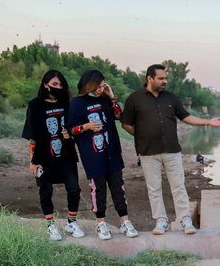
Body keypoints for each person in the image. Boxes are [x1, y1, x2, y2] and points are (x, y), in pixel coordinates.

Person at [121, 64, 220, 235]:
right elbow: (126, 123)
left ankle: (185, 220)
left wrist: (207, 121)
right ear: (150, 78)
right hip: (148, 152)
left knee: (178, 186)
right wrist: (141, 136)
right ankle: (161, 221)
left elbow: (186, 116)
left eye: (165, 78)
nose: (165, 81)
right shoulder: (134, 99)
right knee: (154, 188)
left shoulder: (170, 98)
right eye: (161, 78)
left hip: (171, 150)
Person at [68, 69, 138, 240]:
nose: (101, 89)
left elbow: (118, 115)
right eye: (98, 86)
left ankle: (125, 222)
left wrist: (111, 96)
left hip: (112, 151)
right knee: (98, 189)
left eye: (102, 86)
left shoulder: (105, 100)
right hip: (92, 154)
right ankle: (101, 224)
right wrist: (86, 127)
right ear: (89, 85)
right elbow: (70, 130)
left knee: (118, 187)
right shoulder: (77, 103)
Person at [22, 70, 83, 241]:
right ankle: (51, 225)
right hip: (43, 156)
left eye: (61, 85)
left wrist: (69, 135)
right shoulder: (35, 105)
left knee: (74, 189)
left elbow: (75, 129)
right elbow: (32, 136)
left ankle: (71, 222)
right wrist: (32, 161)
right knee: (46, 190)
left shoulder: (68, 104)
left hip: (66, 155)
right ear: (45, 85)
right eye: (55, 84)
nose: (58, 87)